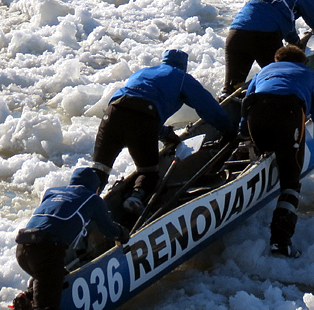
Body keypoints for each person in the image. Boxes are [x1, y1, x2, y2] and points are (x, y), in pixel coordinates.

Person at [11, 167, 129, 310]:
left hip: (22, 249)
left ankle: (27, 298)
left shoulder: (52, 192)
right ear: (97, 187)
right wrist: (122, 234)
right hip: (46, 251)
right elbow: (109, 230)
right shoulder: (92, 199)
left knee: (54, 278)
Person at [92, 49, 236, 214]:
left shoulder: (143, 73)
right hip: (143, 118)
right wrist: (230, 130)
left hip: (113, 113)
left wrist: (167, 135)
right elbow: (209, 109)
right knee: (149, 173)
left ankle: (81, 206)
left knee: (99, 169)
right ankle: (135, 199)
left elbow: (134, 105)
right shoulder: (181, 77)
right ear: (184, 66)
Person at [240, 45, 314, 257]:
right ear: (302, 61)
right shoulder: (311, 75)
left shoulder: (262, 72)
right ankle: (280, 243)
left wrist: (245, 132)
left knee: (269, 144)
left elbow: (246, 106)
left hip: (257, 113)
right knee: (290, 180)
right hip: (288, 112)